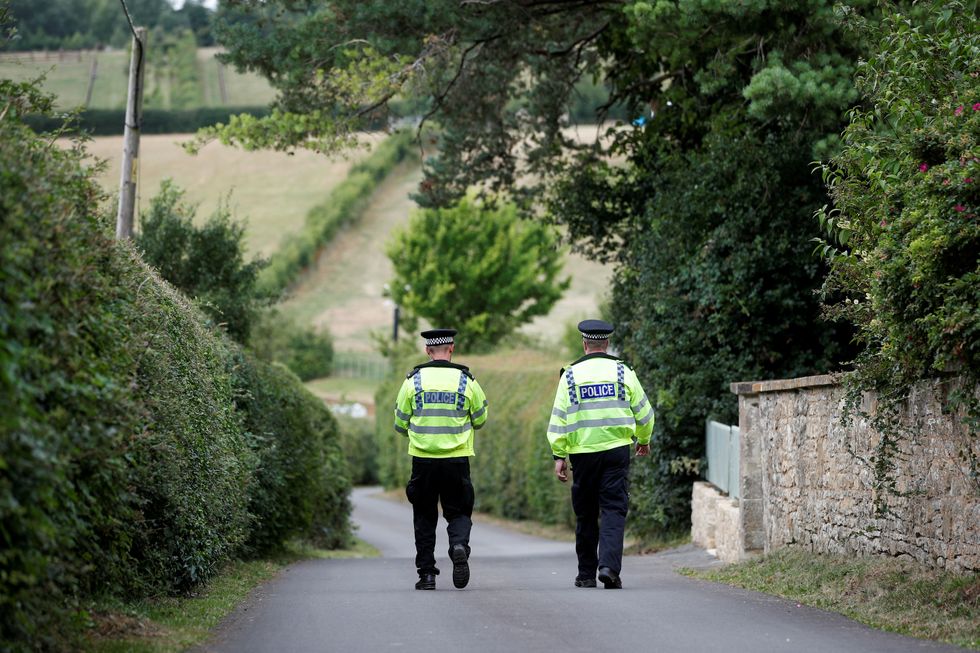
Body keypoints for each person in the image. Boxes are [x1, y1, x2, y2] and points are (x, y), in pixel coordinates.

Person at [546, 319, 654, 589]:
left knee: (585, 514)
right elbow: (645, 412)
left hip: (582, 455)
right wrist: (643, 440)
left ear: (585, 344)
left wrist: (559, 455)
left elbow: (559, 420)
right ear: (607, 344)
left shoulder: (569, 375)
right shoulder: (623, 372)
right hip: (617, 452)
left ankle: (585, 575)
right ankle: (609, 569)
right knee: (614, 509)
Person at [393, 328, 489, 590]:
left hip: (423, 460)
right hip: (456, 460)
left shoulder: (413, 381)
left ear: (427, 351)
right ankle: (458, 545)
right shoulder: (466, 381)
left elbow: (400, 423)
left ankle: (427, 575)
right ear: (452, 348)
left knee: (424, 516)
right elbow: (480, 419)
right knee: (458, 511)